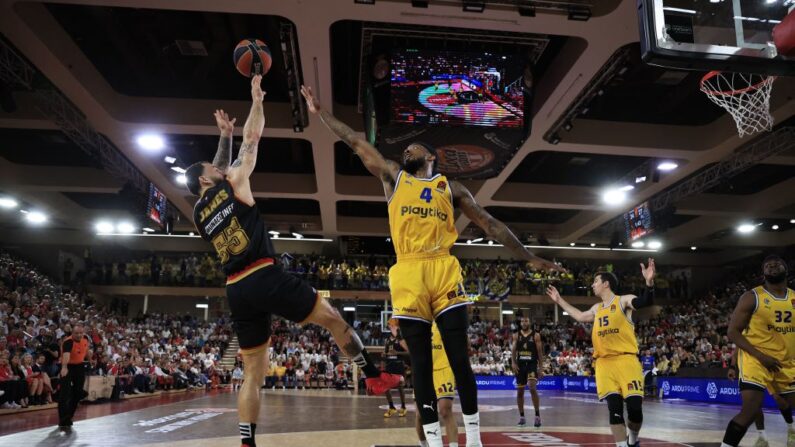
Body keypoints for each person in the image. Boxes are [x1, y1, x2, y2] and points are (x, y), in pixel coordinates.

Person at [302, 84, 561, 447]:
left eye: (414, 146)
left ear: (431, 156)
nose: (406, 148)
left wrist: (528, 256)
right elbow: (356, 143)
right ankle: (435, 442)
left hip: (442, 267)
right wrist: (319, 112)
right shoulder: (394, 176)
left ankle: (473, 438)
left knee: (459, 357)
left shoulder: (452, 188)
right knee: (421, 364)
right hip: (407, 270)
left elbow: (490, 224)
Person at [184, 76, 399, 447]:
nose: (218, 168)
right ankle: (372, 375)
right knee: (333, 318)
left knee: (253, 372)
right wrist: (256, 102)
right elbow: (250, 142)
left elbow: (212, 173)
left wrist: (223, 136)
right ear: (207, 178)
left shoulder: (198, 213)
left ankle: (247, 442)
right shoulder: (233, 181)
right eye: (212, 168)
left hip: (235, 289)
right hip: (263, 274)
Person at [546, 259, 657, 447]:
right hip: (604, 364)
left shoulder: (623, 301)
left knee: (635, 410)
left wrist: (649, 282)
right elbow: (580, 316)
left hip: (626, 361)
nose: (592, 285)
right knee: (614, 410)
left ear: (606, 284)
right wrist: (559, 300)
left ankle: (633, 440)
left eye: (595, 281)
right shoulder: (597, 309)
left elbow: (645, 301)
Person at [720, 255, 795, 447]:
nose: (772, 266)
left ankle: (791, 430)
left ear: (786, 270)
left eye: (777, 263)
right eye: (768, 265)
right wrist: (759, 356)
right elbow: (732, 332)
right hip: (756, 360)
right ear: (763, 274)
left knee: (786, 404)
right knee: (751, 410)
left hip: (785, 362)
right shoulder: (751, 297)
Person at [727, 348, 793, 447]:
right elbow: (737, 348)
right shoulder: (741, 334)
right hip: (751, 367)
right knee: (753, 405)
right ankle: (762, 437)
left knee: (780, 400)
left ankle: (791, 429)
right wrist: (732, 366)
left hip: (772, 363)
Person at [416, 322, 459, 447]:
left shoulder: (446, 316)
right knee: (421, 415)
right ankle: (424, 444)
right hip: (424, 370)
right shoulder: (419, 317)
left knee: (445, 409)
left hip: (444, 367)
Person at [511, 316, 544, 428]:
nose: (524, 323)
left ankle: (537, 416)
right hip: (520, 365)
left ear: (529, 322)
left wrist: (541, 367)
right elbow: (513, 351)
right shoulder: (516, 335)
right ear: (520, 323)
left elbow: (539, 352)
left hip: (531, 364)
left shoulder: (536, 335)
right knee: (520, 392)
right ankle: (522, 417)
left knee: (532, 387)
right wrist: (513, 363)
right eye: (522, 321)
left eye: (526, 321)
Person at [58, 323, 90, 430]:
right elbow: (66, 356)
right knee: (64, 394)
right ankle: (63, 419)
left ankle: (69, 417)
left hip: (79, 366)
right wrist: (64, 367)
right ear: (72, 333)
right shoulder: (68, 342)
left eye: (81, 333)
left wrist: (90, 359)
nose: (79, 335)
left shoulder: (85, 339)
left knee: (77, 393)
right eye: (76, 333)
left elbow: (85, 351)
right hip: (68, 366)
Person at [383, 320, 409, 418]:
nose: (390, 327)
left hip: (399, 365)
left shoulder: (401, 339)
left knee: (400, 386)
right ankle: (391, 407)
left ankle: (403, 407)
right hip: (389, 365)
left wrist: (397, 353)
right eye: (389, 326)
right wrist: (385, 355)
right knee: (385, 387)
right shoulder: (387, 339)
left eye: (392, 325)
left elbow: (408, 352)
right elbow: (385, 352)